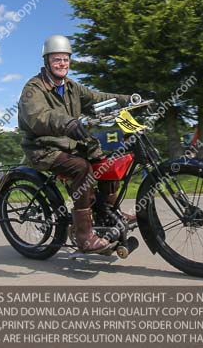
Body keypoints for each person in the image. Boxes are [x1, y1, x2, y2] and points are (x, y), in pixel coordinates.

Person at [17, 35, 135, 253]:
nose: (62, 64)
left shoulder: (72, 87)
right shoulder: (33, 88)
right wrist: (67, 122)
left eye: (65, 59)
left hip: (71, 143)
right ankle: (84, 235)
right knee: (82, 168)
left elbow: (97, 98)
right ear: (46, 62)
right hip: (44, 147)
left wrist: (129, 100)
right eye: (56, 60)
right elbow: (37, 116)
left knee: (106, 162)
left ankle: (106, 211)